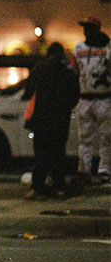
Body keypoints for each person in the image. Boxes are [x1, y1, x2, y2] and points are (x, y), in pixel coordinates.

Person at [22, 42, 80, 200]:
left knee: (41, 154)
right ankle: (59, 186)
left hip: (41, 118)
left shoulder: (40, 69)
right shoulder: (69, 73)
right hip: (61, 119)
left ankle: (38, 187)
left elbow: (28, 91)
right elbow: (75, 97)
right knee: (59, 152)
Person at [70, 15, 111, 184]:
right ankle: (84, 171)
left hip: (104, 98)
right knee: (85, 138)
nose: (86, 31)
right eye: (85, 28)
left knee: (106, 137)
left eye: (89, 28)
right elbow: (74, 73)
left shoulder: (108, 48)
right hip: (85, 98)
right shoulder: (78, 49)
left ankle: (104, 170)